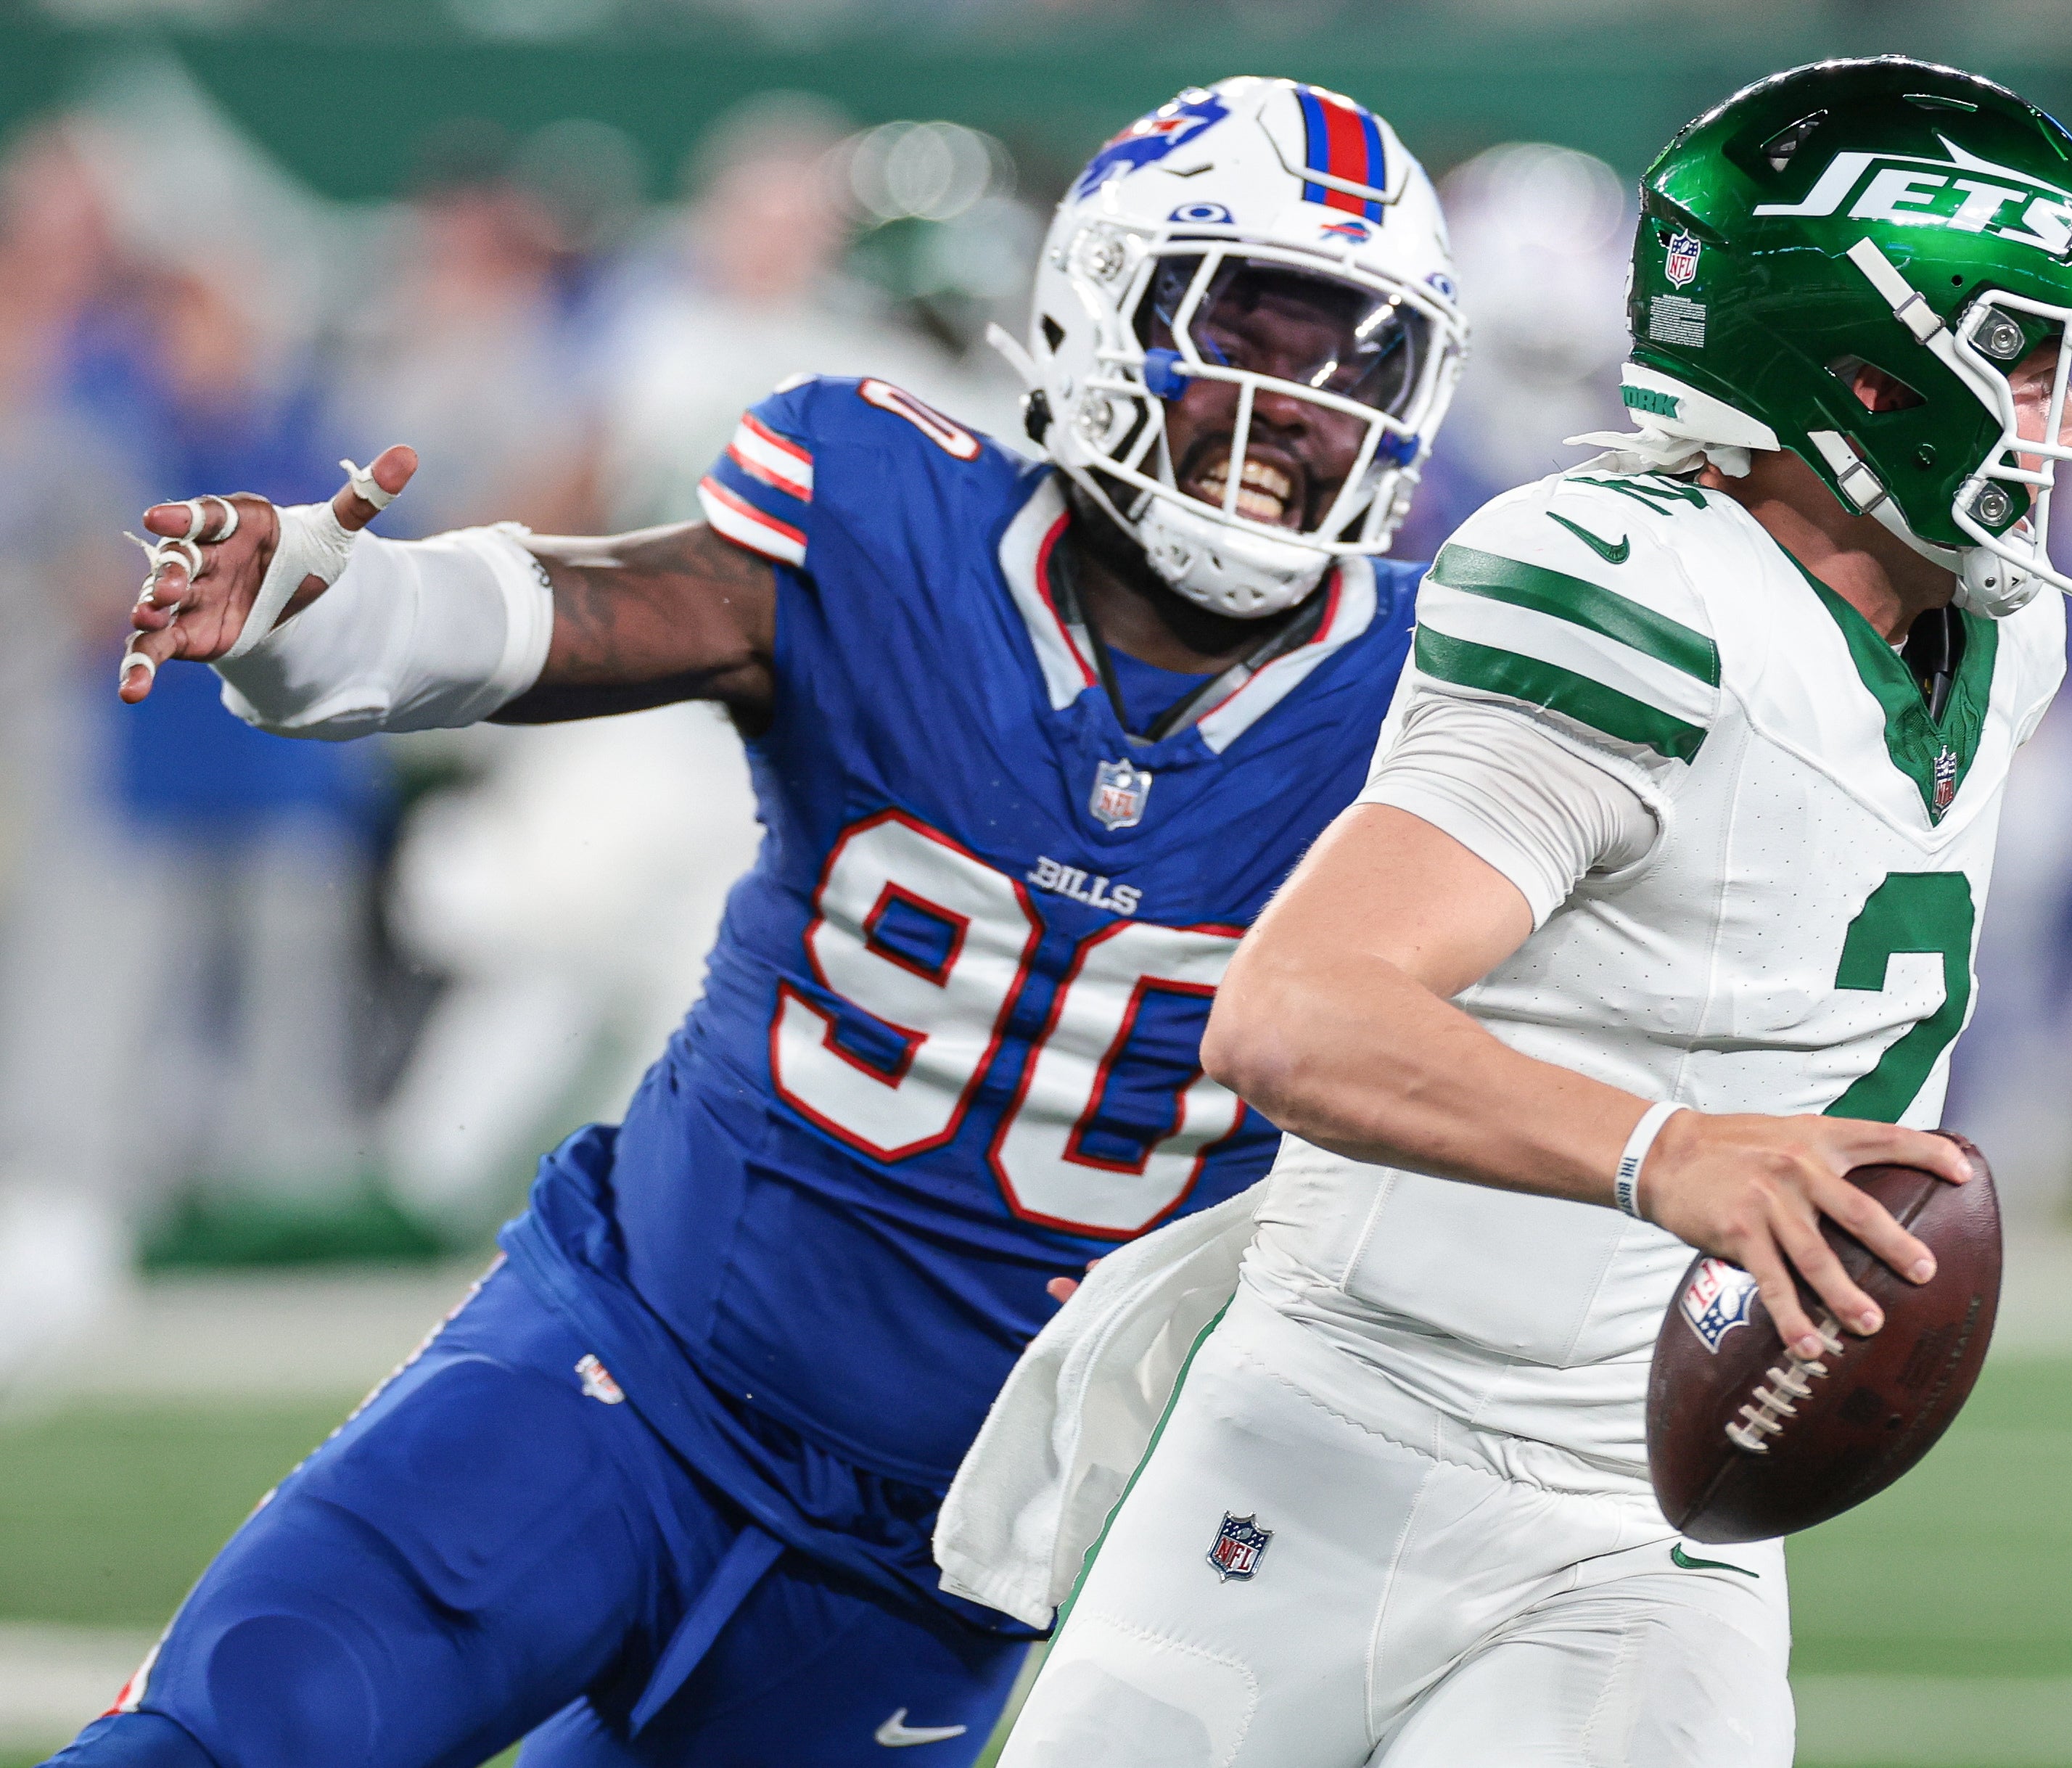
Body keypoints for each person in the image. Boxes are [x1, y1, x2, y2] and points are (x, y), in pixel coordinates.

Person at [56, 76, 1463, 1768]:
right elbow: (585, 607)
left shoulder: (1436, 705)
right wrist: (329, 607)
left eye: (1350, 357)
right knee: (229, 1743)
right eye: (1248, 323)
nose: (1286, 400)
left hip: (938, 1554)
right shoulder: (896, 517)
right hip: (618, 1385)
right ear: (1108, 304)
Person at [998, 58, 2072, 1767]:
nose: (2065, 423)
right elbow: (1296, 1010)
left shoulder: (2005, 636)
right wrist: (1668, 1150)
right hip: (1347, 1443)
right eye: (2025, 358)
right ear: (1859, 367)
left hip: (1658, 1511)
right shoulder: (1636, 591)